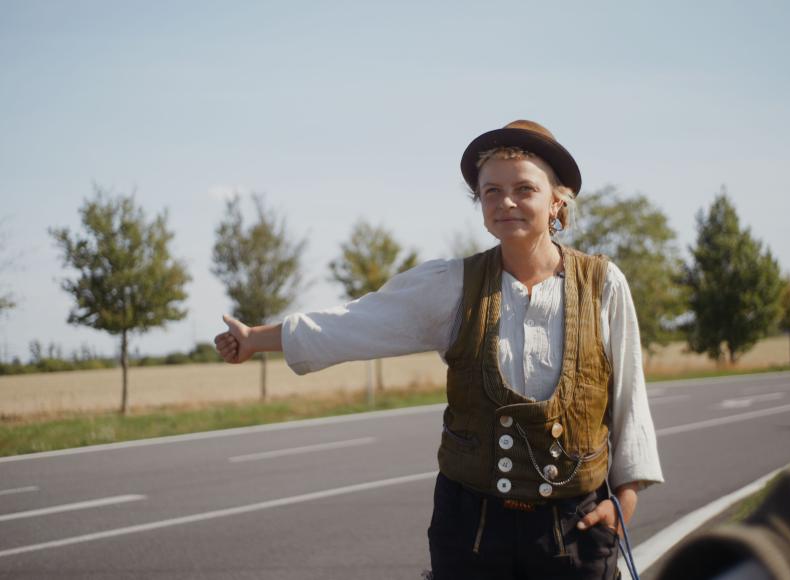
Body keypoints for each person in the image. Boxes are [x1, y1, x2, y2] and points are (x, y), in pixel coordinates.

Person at [214, 120, 664, 579]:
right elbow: (356, 322)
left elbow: (630, 401)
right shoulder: (451, 286)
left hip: (576, 528)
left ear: (557, 200)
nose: (505, 202)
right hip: (472, 528)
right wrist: (256, 339)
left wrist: (623, 502)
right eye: (491, 192)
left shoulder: (602, 285)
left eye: (523, 188)